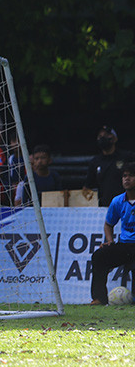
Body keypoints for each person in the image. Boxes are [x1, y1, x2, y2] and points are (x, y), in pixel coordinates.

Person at [90, 163, 135, 305]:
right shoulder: (117, 201)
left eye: (131, 176)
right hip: (125, 245)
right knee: (99, 256)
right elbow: (108, 224)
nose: (127, 179)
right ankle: (99, 298)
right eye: (124, 176)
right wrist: (109, 241)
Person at [83, 127, 135, 207]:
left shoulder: (127, 157)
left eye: (106, 135)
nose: (103, 137)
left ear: (114, 138)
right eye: (100, 136)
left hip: (126, 205)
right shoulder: (95, 162)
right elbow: (87, 187)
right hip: (104, 207)